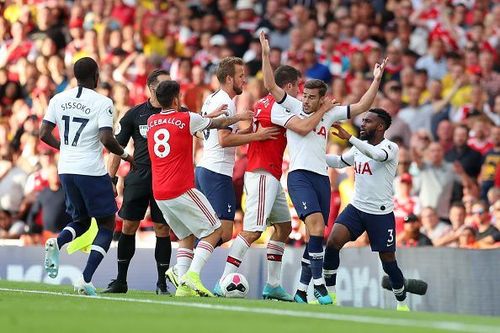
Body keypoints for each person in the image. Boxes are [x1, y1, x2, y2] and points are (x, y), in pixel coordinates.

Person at [259, 31, 388, 305]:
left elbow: (364, 105)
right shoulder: (291, 106)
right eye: (304, 95)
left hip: (321, 178)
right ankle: (319, 284)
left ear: (322, 98)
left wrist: (376, 79)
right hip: (299, 176)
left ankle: (302, 290)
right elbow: (270, 84)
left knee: (316, 234)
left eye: (311, 97)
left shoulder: (330, 113)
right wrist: (266, 53)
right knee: (316, 225)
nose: (305, 100)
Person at [215, 64, 335, 300]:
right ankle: (223, 280)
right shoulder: (278, 107)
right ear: (288, 86)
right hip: (261, 173)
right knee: (253, 231)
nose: (300, 94)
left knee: (283, 227)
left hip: (271, 174)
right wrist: (323, 110)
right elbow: (302, 127)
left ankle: (272, 285)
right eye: (298, 87)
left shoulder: (263, 103)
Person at [147, 80, 253, 297]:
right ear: (176, 99)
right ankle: (192, 275)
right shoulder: (186, 118)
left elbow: (197, 122)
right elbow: (216, 126)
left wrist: (209, 115)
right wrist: (239, 118)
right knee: (215, 230)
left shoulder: (151, 121)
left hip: (159, 192)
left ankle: (183, 286)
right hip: (181, 189)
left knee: (186, 234)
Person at [39, 57, 135, 296]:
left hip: (66, 169)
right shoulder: (103, 102)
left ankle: (57, 242)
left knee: (81, 221)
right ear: (96, 76)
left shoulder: (58, 99)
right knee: (106, 224)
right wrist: (124, 154)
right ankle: (85, 278)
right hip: (90, 170)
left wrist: (64, 148)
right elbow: (105, 137)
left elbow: (43, 133)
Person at [324, 108, 413, 311]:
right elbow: (339, 162)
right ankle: (330, 295)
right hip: (356, 208)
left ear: (380, 126)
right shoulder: (359, 147)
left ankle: (402, 303)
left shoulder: (391, 147)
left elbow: (377, 156)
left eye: (368, 121)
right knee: (332, 243)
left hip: (381, 213)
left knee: (388, 262)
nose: (362, 124)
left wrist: (352, 139)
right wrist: (313, 156)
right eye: (362, 120)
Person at [102, 69, 174, 295]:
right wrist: (111, 179)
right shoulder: (135, 114)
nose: (170, 90)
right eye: (165, 85)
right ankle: (121, 280)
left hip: (165, 177)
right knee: (128, 226)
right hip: (140, 176)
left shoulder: (178, 113)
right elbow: (116, 148)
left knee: (162, 228)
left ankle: (162, 283)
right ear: (152, 88)